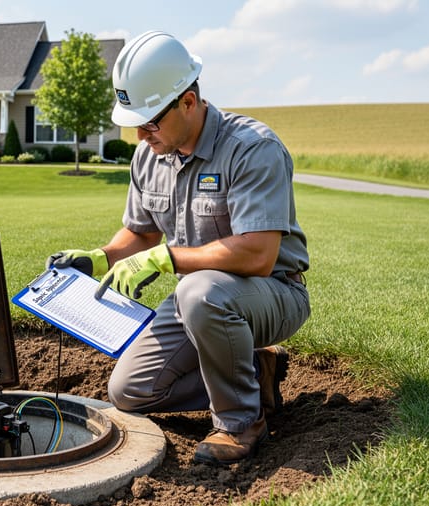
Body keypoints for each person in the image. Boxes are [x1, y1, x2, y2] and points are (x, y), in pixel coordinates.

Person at [46, 30, 311, 465]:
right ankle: (255, 371)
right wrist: (98, 257)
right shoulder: (150, 155)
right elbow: (142, 234)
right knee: (129, 391)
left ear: (188, 101)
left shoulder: (251, 149)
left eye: (149, 122)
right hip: (201, 300)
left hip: (273, 293)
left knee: (198, 291)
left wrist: (167, 258)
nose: (140, 135)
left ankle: (241, 422)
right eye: (133, 123)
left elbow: (258, 255)